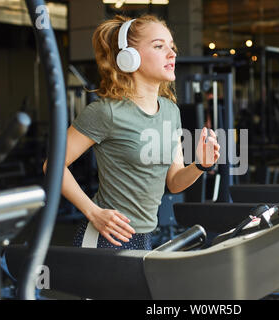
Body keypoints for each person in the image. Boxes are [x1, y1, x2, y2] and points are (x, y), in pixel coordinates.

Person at [43, 14, 220, 250]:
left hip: (144, 237)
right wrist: (93, 212)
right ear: (129, 57)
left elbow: (175, 182)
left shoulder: (171, 111)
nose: (172, 53)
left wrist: (201, 165)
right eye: (159, 46)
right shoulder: (106, 112)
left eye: (172, 46)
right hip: (105, 237)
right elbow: (52, 165)